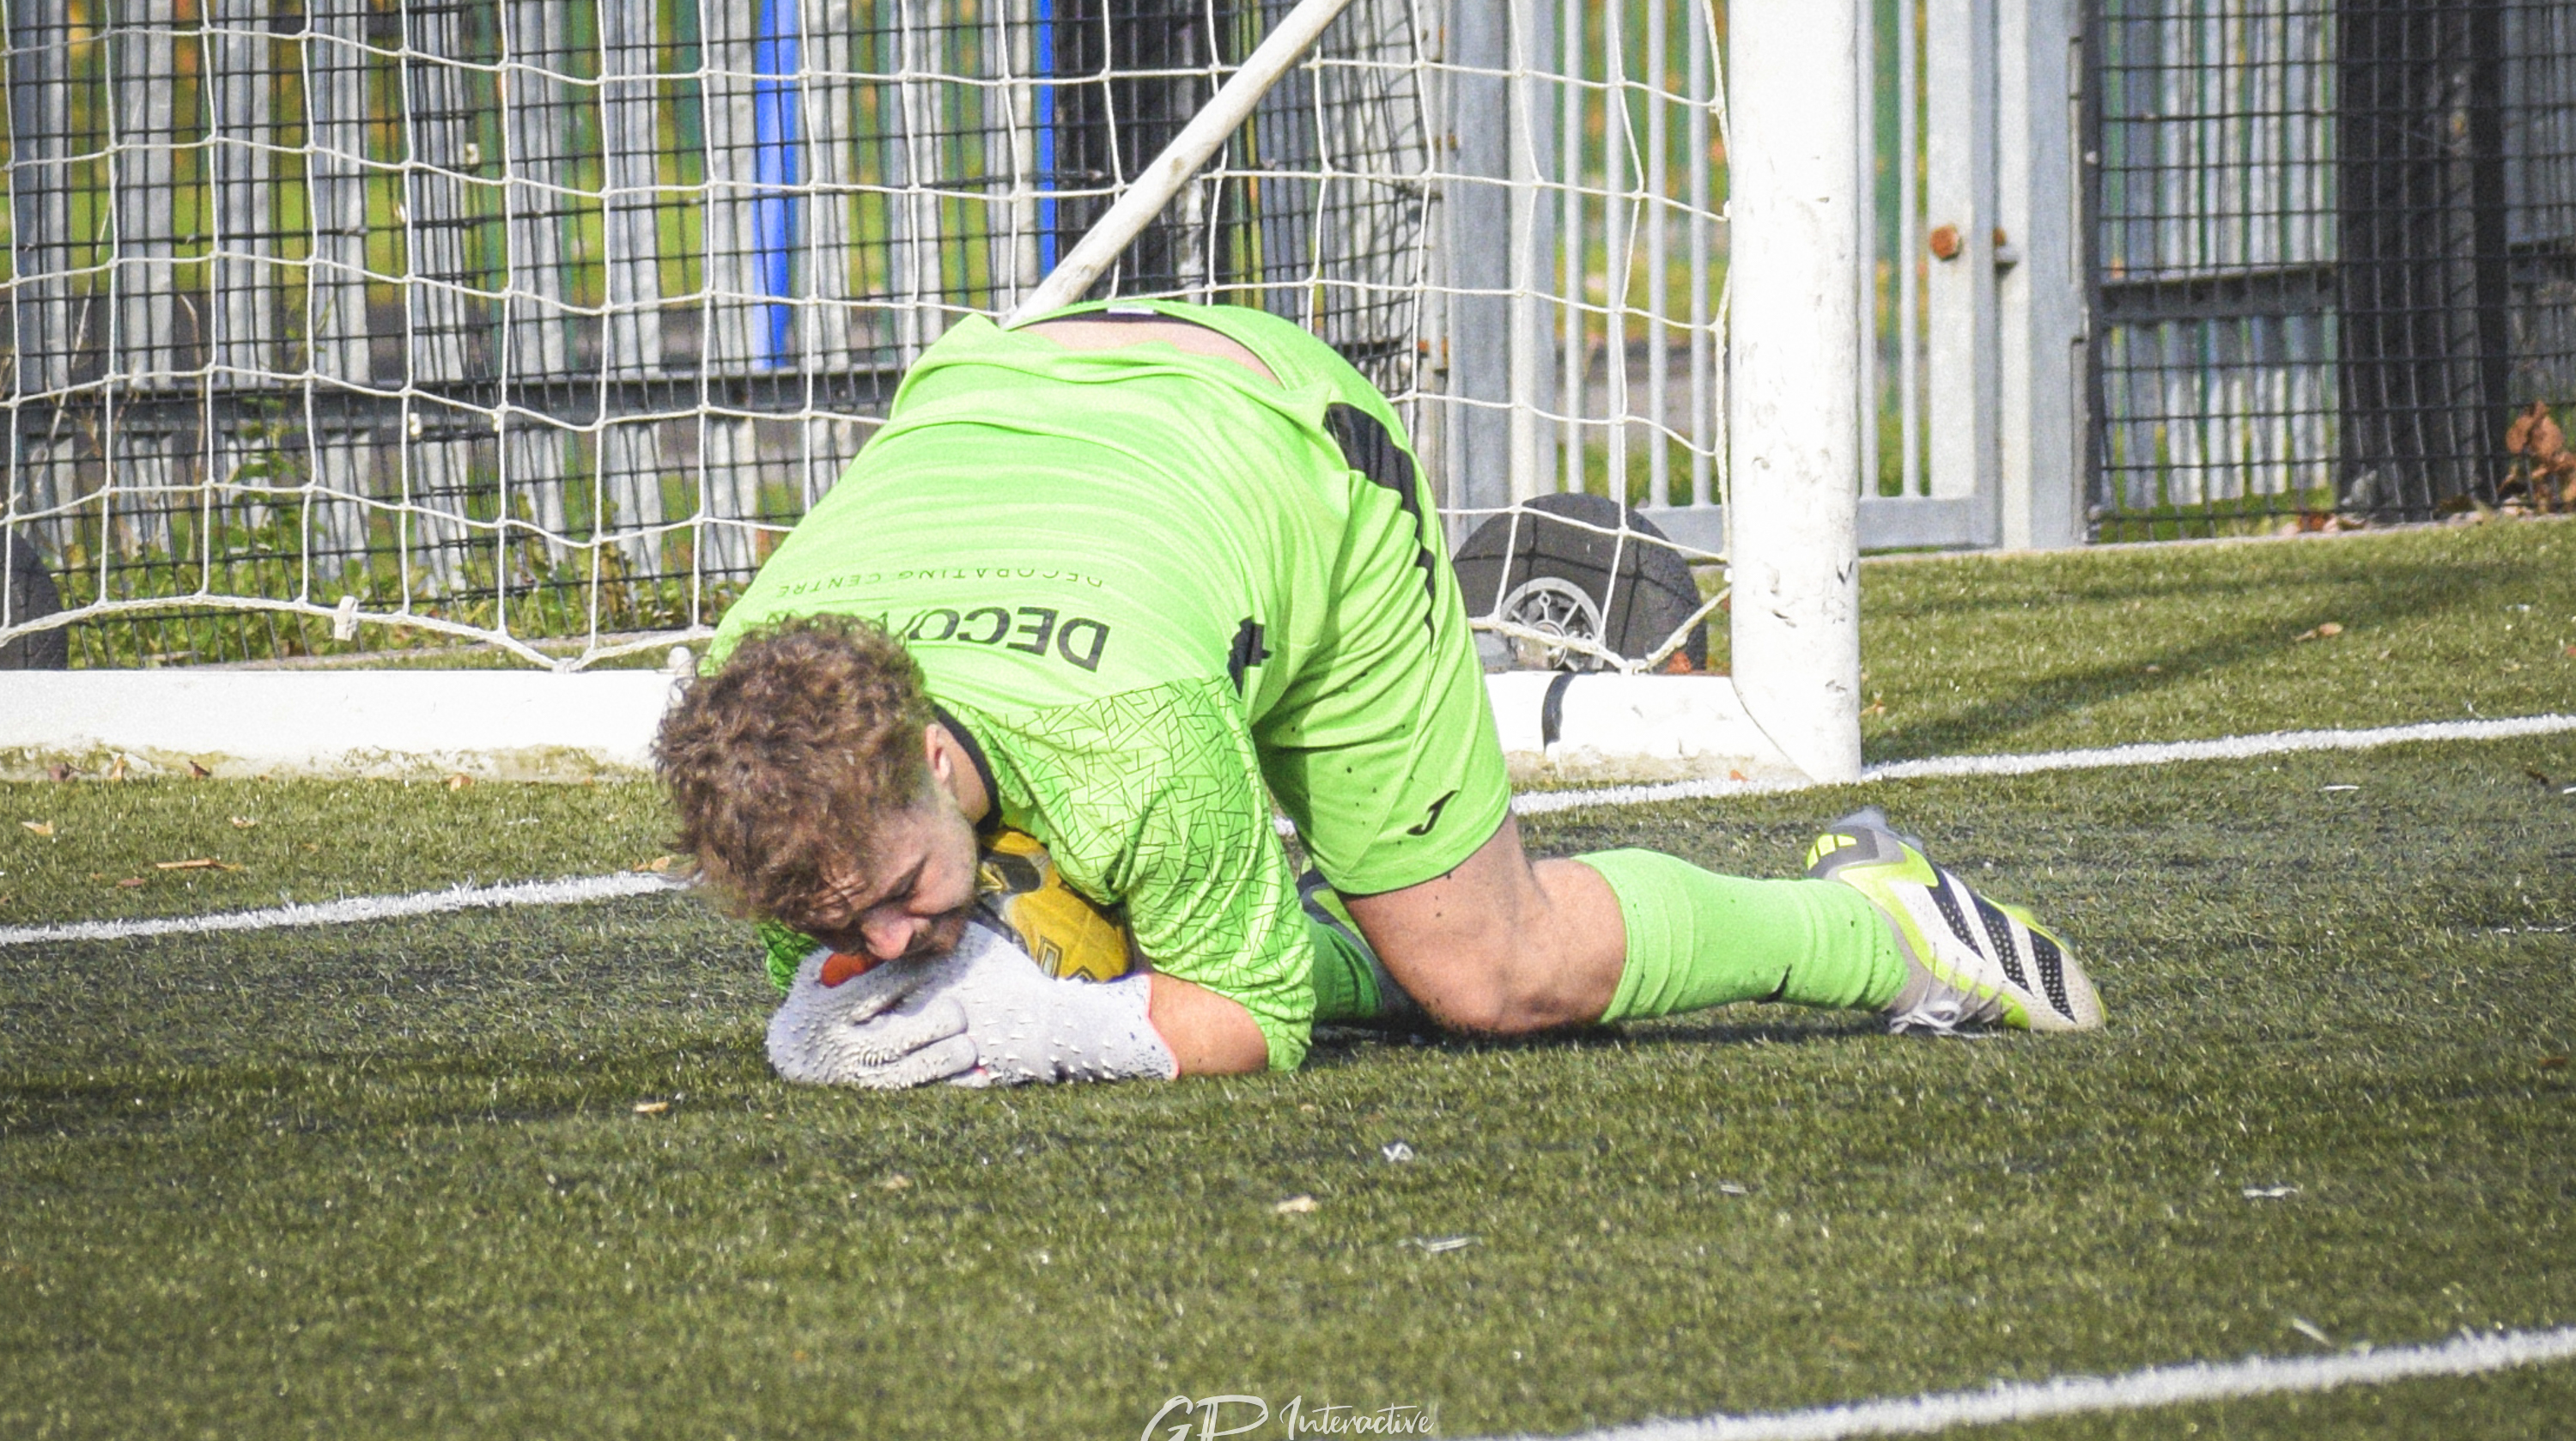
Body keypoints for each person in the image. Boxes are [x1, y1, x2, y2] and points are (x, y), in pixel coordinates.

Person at [653, 301, 2102, 1086]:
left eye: (899, 893)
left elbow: (1252, 1025)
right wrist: (831, 1006)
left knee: (1489, 975)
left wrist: (1063, 1033)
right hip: (1017, 386)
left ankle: (1884, 923)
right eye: (837, 921)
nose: (886, 938)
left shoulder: (1135, 734)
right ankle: (1320, 921)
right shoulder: (770, 765)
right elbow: (852, 958)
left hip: (1282, 436)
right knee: (1078, 931)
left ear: (919, 749)